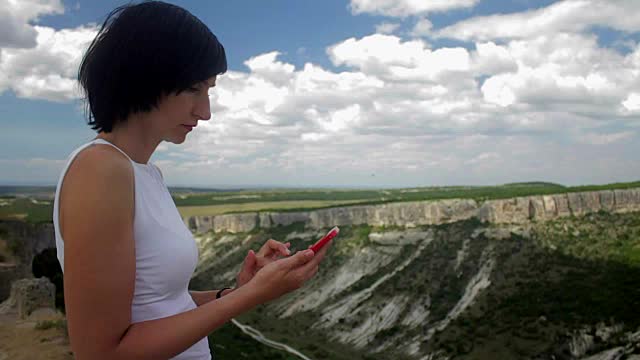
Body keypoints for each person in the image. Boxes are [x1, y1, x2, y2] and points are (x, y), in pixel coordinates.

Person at [52, 2, 331, 359]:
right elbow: (102, 352)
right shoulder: (100, 171)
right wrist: (253, 296)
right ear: (148, 77)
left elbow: (162, 305)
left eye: (209, 91)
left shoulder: (144, 173)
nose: (206, 111)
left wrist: (236, 291)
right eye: (195, 89)